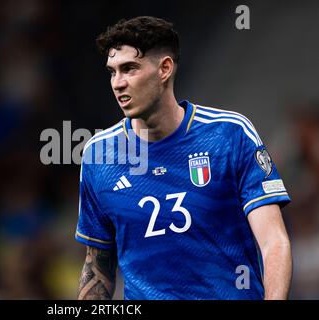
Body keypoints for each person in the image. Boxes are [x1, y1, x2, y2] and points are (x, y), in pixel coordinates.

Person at [75, 16, 292, 300]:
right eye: (112, 71)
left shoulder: (229, 135)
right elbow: (97, 265)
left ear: (164, 69)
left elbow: (273, 242)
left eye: (129, 69)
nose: (118, 83)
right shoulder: (98, 155)